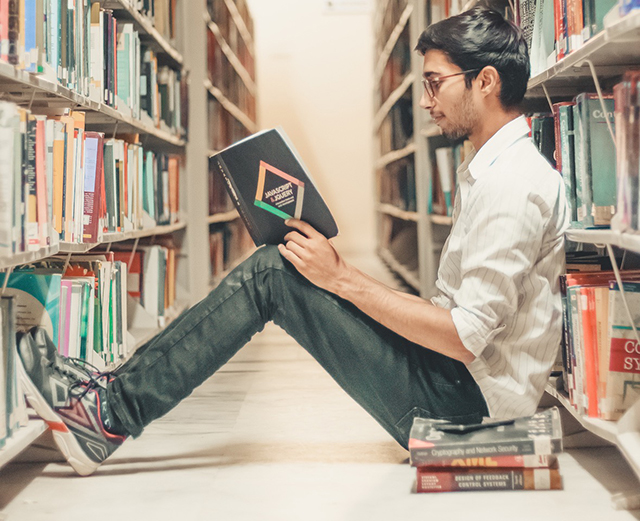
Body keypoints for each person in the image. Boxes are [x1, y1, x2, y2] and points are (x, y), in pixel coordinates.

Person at [17, 6, 569, 476]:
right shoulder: (493, 168)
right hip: (451, 380)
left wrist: (343, 279)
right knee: (283, 267)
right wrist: (343, 281)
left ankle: (108, 413)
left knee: (272, 275)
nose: (424, 100)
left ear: (487, 82)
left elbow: (464, 338)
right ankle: (111, 392)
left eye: (434, 82)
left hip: (462, 411)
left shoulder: (513, 185)